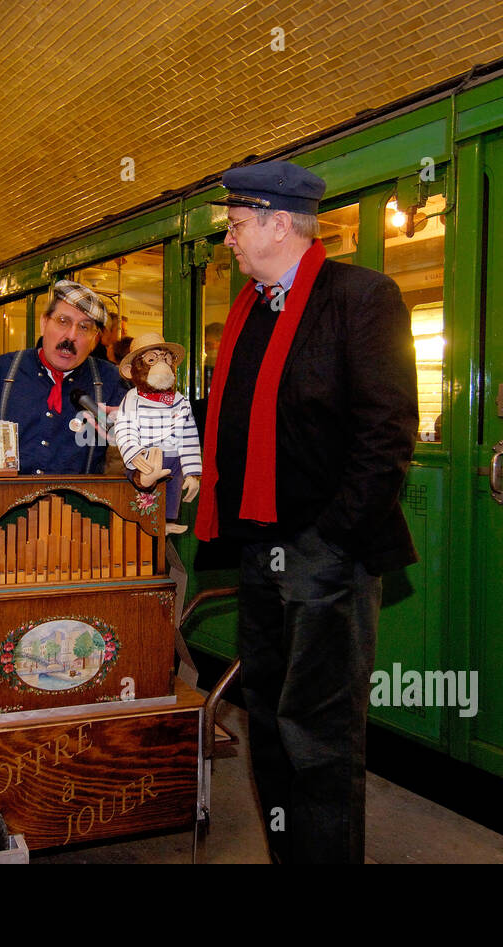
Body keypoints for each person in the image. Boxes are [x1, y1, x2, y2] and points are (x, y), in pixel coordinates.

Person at [195, 160, 418, 863]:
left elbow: (387, 434)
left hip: (327, 553)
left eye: (234, 226)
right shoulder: (252, 312)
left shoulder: (361, 298)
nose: (227, 241)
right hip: (263, 547)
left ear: (278, 222)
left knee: (317, 730)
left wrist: (331, 536)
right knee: (267, 714)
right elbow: (236, 420)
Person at [0, 280, 127, 475]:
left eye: (84, 327)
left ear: (95, 338)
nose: (71, 336)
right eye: (63, 321)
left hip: (81, 507)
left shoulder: (111, 382)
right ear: (44, 323)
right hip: (6, 505)